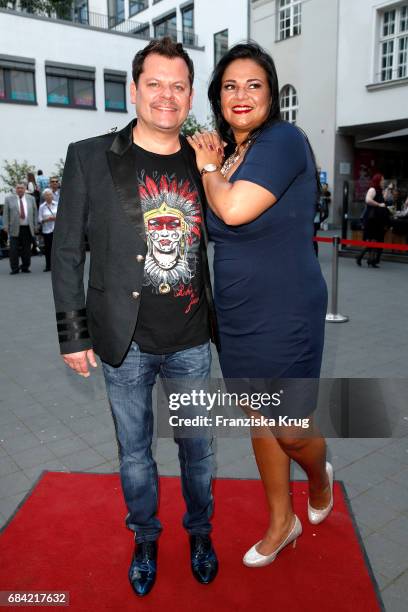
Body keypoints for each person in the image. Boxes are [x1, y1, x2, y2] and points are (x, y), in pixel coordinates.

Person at [51, 37, 218, 597]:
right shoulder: (89, 156)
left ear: (190, 95)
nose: (166, 96)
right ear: (134, 89)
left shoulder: (206, 161)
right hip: (123, 341)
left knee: (198, 451)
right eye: (155, 84)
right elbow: (67, 251)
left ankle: (200, 533)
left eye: (178, 86)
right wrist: (73, 334)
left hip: (192, 339)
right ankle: (145, 537)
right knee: (135, 455)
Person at [187, 42, 331, 568]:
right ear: (218, 99)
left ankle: (319, 478)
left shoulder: (284, 141)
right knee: (259, 418)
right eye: (230, 86)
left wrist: (207, 167)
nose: (241, 94)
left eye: (253, 84)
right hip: (239, 313)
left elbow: (231, 206)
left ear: (271, 95)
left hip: (288, 308)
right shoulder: (234, 155)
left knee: (291, 428)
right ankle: (281, 522)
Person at [3, 182, 38, 274]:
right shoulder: (8, 199)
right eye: (18, 188)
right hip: (14, 228)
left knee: (26, 249)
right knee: (13, 250)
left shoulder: (31, 199)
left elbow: (35, 214)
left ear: (25, 189)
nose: (20, 190)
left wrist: (35, 226)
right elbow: (6, 214)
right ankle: (14, 268)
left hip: (27, 228)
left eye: (22, 188)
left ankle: (25, 267)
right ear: (15, 189)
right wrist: (5, 226)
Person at [356, 174, 390, 268]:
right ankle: (365, 258)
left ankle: (368, 259)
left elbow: (384, 200)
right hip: (372, 219)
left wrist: (387, 191)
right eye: (382, 180)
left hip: (377, 219)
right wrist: (379, 204)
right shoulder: (372, 189)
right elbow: (368, 200)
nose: (383, 182)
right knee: (373, 239)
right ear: (378, 180)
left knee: (374, 239)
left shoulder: (379, 190)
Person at [38, 188, 58, 272]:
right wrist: (46, 219)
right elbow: (39, 219)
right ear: (44, 197)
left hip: (57, 230)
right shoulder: (42, 207)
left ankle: (58, 265)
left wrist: (55, 218)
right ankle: (48, 266)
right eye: (47, 195)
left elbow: (63, 216)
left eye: (50, 194)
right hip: (47, 230)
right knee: (48, 249)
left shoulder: (57, 204)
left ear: (52, 196)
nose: (49, 196)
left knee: (57, 249)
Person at [313, 182, 331, 256]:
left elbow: (326, 213)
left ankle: (315, 255)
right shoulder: (319, 198)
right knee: (312, 239)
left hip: (314, 221)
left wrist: (320, 220)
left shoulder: (320, 199)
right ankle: (314, 255)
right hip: (314, 221)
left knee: (313, 239)